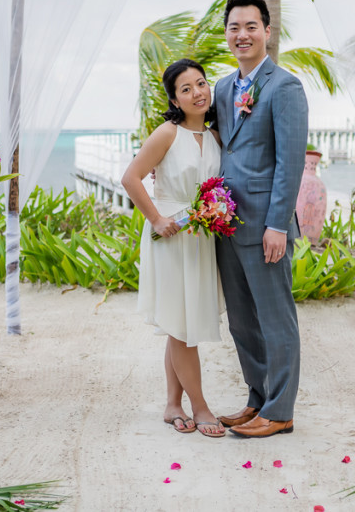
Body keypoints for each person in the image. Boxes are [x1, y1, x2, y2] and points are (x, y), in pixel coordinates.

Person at [213, 0, 308, 438]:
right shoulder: (222, 87)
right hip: (225, 223)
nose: (242, 34)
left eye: (251, 26)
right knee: (241, 320)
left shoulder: (285, 87)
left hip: (265, 225)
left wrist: (277, 225)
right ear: (227, 34)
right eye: (234, 27)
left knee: (275, 318)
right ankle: (258, 399)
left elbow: (290, 163)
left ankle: (281, 410)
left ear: (267, 32)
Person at [121, 59, 227, 438]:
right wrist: (155, 219)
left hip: (201, 238)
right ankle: (200, 407)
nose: (197, 92)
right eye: (186, 88)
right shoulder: (167, 133)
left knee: (179, 323)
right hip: (170, 235)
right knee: (182, 327)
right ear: (175, 99)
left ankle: (172, 405)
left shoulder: (216, 137)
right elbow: (131, 177)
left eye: (201, 84)